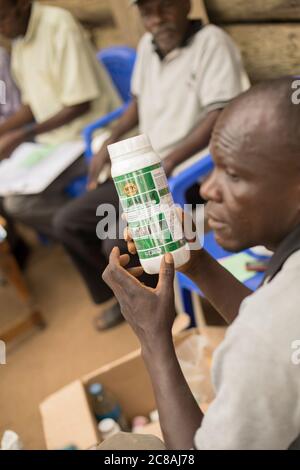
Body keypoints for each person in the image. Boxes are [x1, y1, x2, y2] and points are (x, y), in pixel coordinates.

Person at [103, 77, 300, 450]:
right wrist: (197, 264)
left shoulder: (265, 338)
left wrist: (154, 339)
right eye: (215, 168)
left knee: (121, 449)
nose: (207, 189)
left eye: (235, 175)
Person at [54, 0, 249, 330]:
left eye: (165, 7)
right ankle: (123, 298)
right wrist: (107, 144)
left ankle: (162, 311)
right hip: (139, 168)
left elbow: (219, 115)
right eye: (147, 12)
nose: (157, 19)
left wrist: (169, 161)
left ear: (186, 5)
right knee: (68, 222)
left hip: (184, 170)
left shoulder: (211, 42)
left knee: (113, 239)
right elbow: (136, 103)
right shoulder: (147, 44)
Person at [0, 0, 120, 238]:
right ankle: (86, 234)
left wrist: (23, 134)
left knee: (19, 204)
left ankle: (88, 233)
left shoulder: (58, 25)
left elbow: (79, 103)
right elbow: (31, 105)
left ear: (21, 6)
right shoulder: (20, 38)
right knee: (11, 196)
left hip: (87, 136)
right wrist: (6, 132)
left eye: (1, 18)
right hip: (54, 145)